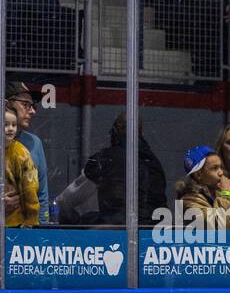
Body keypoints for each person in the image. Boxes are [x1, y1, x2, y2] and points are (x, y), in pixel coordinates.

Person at [55, 112, 168, 226]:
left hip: (117, 231)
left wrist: (63, 210)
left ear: (117, 128)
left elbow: (66, 200)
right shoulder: (155, 163)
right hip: (152, 234)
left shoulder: (106, 158)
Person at [176, 145, 230, 230]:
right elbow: (219, 226)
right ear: (198, 175)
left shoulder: (227, 191)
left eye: (221, 167)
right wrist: (225, 194)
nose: (221, 173)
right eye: (215, 168)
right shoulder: (188, 201)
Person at [6, 81, 48, 223]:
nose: (32, 111)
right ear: (7, 104)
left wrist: (41, 236)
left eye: (32, 106)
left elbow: (41, 195)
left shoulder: (34, 143)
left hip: (26, 234)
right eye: (25, 105)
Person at [3, 104, 40, 227]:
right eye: (5, 125)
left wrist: (31, 221)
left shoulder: (21, 153)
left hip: (15, 223)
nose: (11, 129)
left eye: (13, 125)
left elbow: (30, 189)